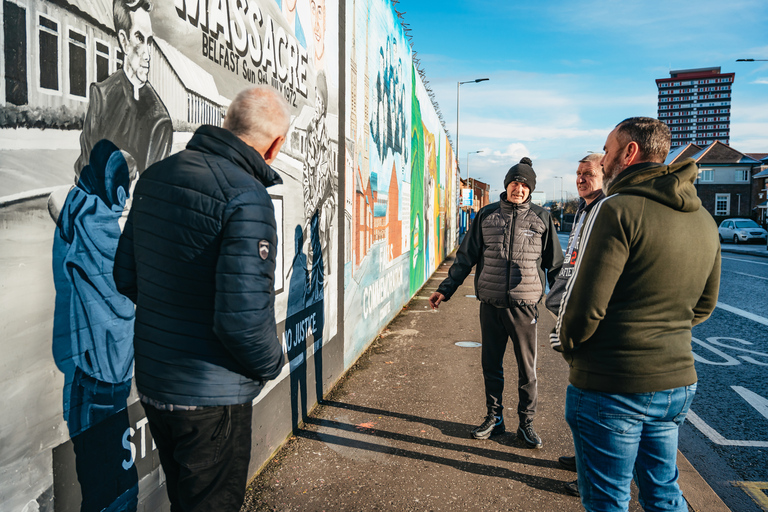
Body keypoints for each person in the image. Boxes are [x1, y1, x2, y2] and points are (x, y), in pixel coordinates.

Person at [113, 85, 290, 511]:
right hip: (213, 399)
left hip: (157, 384)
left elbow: (126, 276)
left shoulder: (156, 176)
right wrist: (272, 364)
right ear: (276, 144)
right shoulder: (248, 198)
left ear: (228, 123)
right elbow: (243, 322)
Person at [555, 117, 721, 511]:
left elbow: (583, 306)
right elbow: (705, 305)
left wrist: (571, 349)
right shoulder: (703, 218)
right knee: (663, 492)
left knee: (608, 499)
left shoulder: (615, 209)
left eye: (609, 150)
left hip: (611, 382)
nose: (606, 158)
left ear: (630, 153)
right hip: (676, 382)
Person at [429, 157, 563, 448]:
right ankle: (494, 417)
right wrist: (446, 289)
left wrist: (562, 307)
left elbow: (555, 266)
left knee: (527, 369)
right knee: (491, 364)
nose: (519, 188)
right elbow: (466, 257)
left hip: (525, 306)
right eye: (515, 182)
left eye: (525, 184)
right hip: (490, 304)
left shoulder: (542, 218)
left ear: (531, 189)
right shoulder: (487, 215)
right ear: (507, 185)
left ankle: (526, 423)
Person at [543, 152, 605, 497]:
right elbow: (572, 262)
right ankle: (585, 461)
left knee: (591, 407)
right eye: (578, 174)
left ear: (605, 174)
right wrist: (557, 300)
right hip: (567, 311)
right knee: (581, 405)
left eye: (588, 173)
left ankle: (590, 477)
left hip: (585, 322)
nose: (581, 179)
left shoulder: (604, 210)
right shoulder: (582, 210)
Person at [75, 0, 172, 181]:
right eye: (139, 38)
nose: (147, 54)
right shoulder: (100, 97)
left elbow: (152, 193)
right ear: (124, 41)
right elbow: (84, 170)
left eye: (149, 41)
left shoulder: (160, 120)